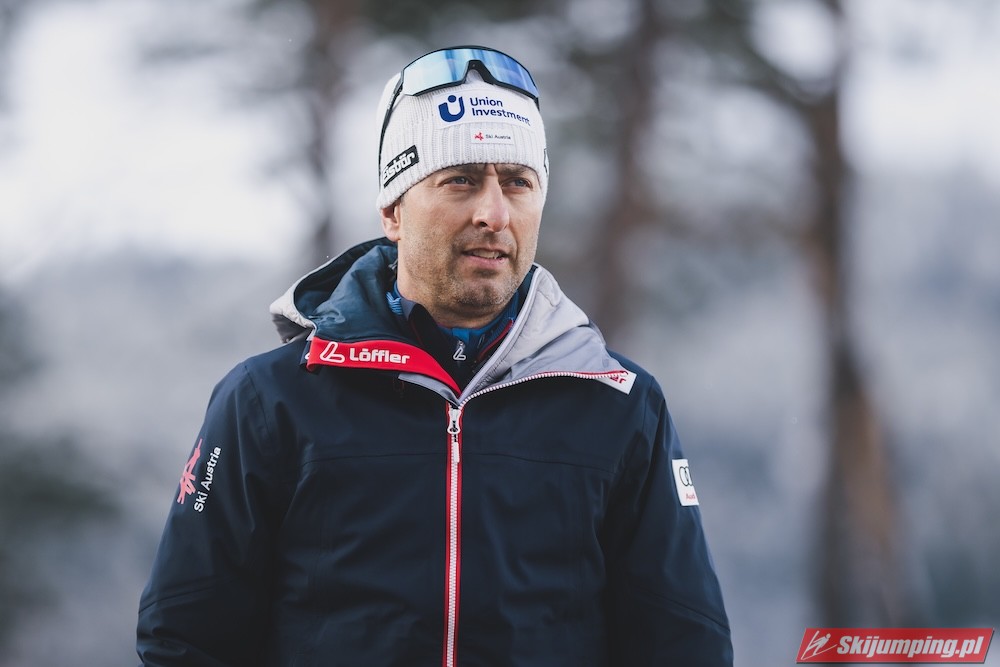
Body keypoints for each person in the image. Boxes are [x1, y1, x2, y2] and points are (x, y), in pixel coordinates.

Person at [137, 45, 733, 666]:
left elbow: (684, 647)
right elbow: (185, 641)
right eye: (461, 180)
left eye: (518, 182)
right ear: (393, 210)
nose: (493, 213)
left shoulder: (621, 403)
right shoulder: (268, 401)